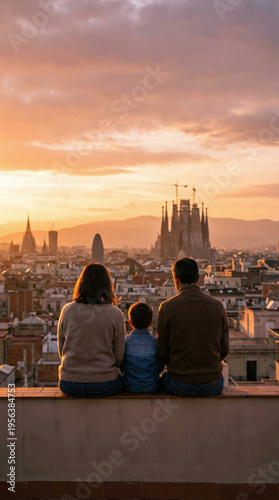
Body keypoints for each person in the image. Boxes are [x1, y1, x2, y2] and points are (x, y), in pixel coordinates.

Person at [157, 257, 229, 397]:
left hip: (179, 384)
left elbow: (162, 351)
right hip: (212, 385)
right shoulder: (218, 306)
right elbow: (224, 348)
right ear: (198, 278)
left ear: (175, 280)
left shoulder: (166, 307)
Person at [57, 263, 125, 398]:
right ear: (106, 285)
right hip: (104, 383)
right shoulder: (114, 313)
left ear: (81, 283)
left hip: (69, 383)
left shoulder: (67, 310)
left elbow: (61, 350)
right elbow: (119, 356)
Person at [121, 302, 164, 393]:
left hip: (129, 386)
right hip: (152, 386)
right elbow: (160, 367)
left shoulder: (125, 342)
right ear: (151, 322)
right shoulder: (155, 342)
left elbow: (122, 366)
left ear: (130, 323)